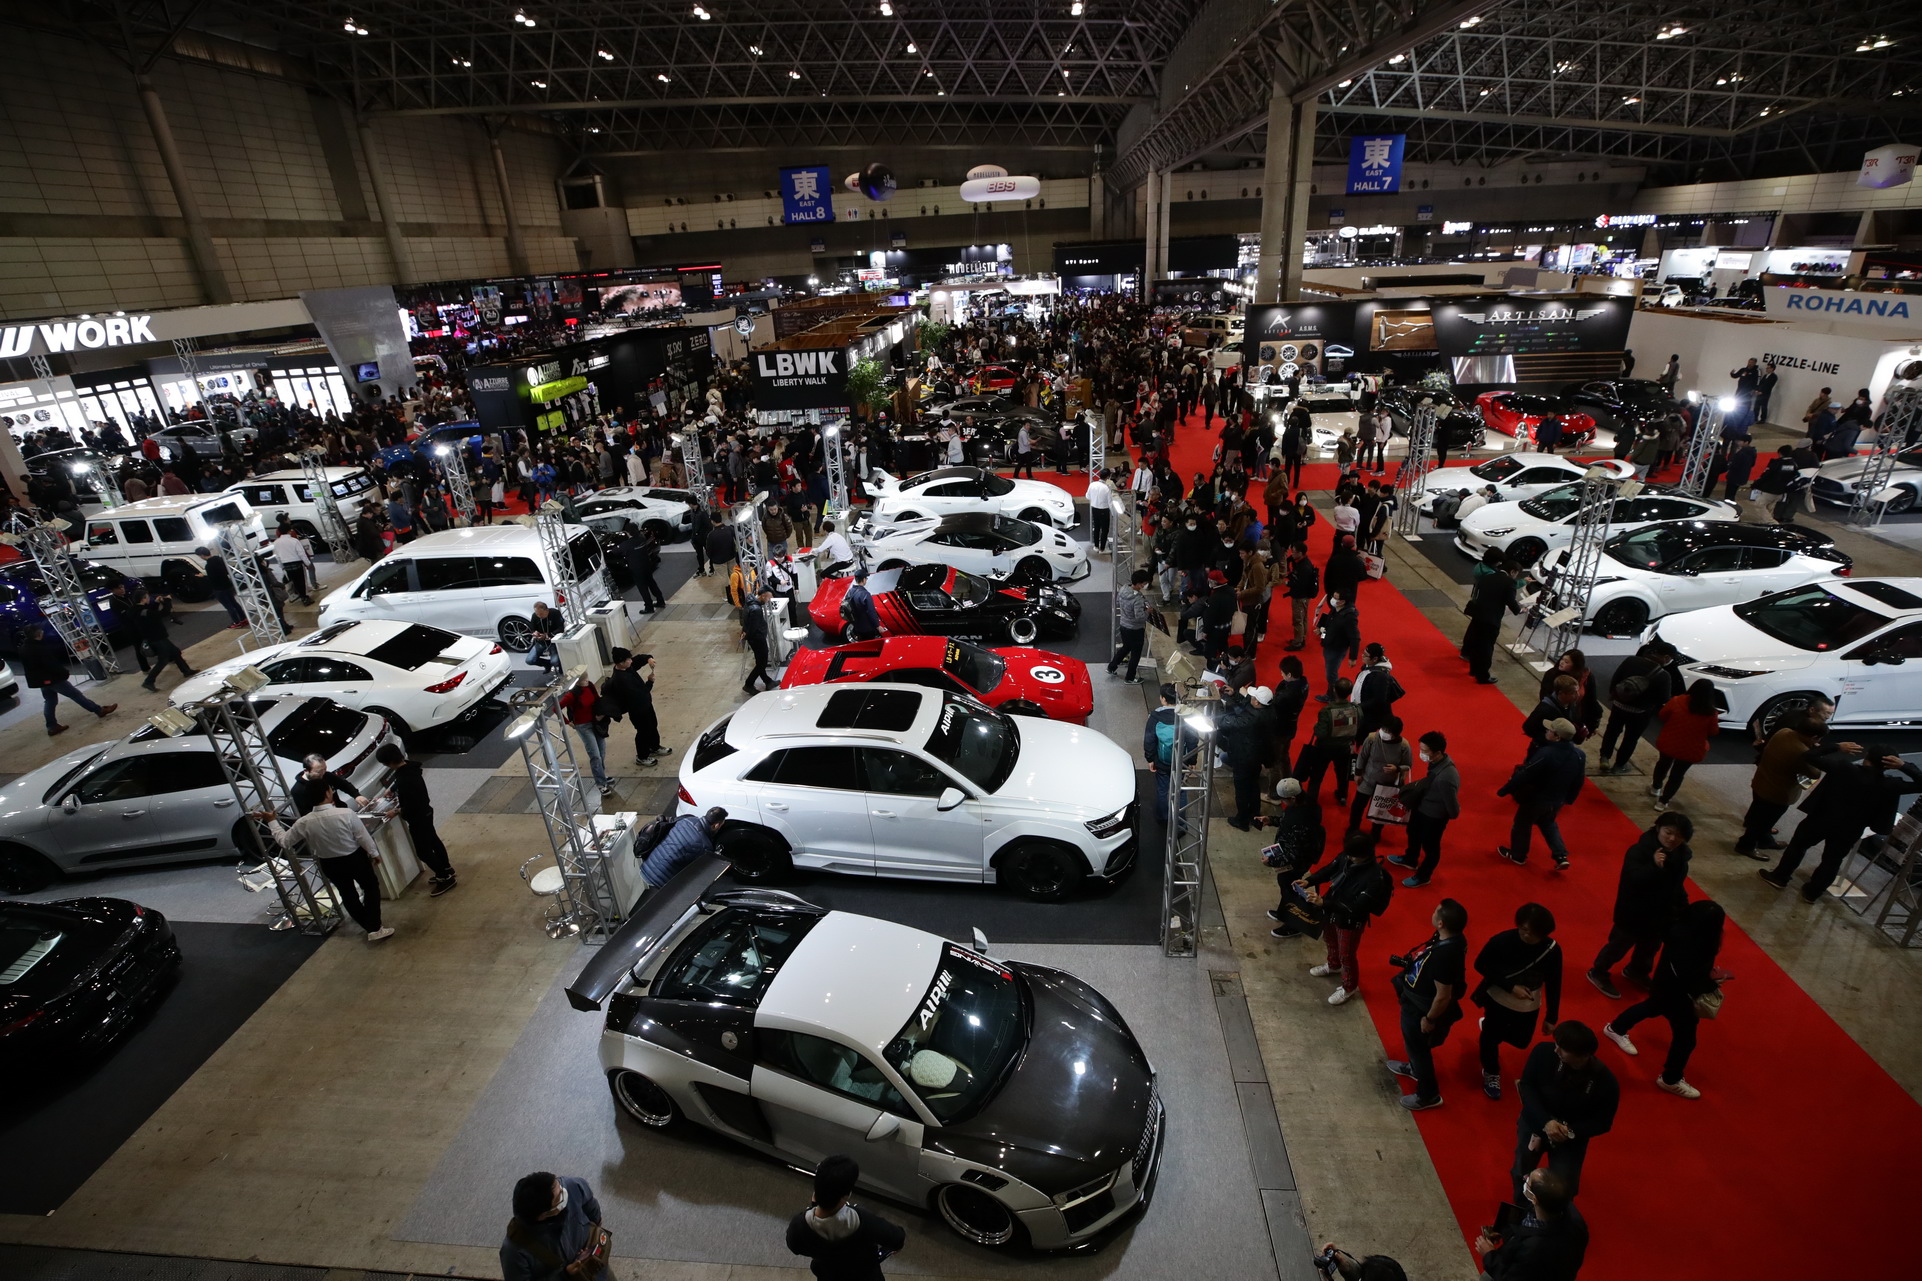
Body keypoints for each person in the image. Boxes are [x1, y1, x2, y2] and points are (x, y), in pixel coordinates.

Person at [1762, 742, 1922, 901]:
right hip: (1851, 829)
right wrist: (1904, 766)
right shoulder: (1891, 785)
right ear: (1889, 766)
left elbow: (1809, 756)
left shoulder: (1844, 768)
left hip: (1821, 818)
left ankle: (1780, 877)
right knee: (1833, 860)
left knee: (1798, 846)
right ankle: (1813, 893)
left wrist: (1836, 747)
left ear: (1867, 756)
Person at [1603, 899, 1727, 1100]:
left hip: (1663, 984)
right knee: (1685, 1039)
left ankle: (1616, 1028)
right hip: (1680, 997)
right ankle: (1671, 1079)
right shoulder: (1699, 945)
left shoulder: (1677, 929)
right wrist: (1713, 982)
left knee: (1649, 1008)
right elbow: (1690, 977)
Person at [256, 782, 391, 941]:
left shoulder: (304, 822)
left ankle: (370, 926)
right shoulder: (346, 813)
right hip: (355, 858)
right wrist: (374, 853)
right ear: (328, 794)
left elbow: (285, 841)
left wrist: (272, 821)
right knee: (370, 887)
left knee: (348, 894)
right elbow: (362, 837)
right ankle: (374, 926)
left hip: (329, 864)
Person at [1586, 812, 1692, 1001]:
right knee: (1619, 945)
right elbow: (1632, 880)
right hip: (1633, 913)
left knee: (1649, 948)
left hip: (1661, 915)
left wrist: (1684, 907)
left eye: (1679, 835)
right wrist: (1654, 867)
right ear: (1658, 828)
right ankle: (1598, 971)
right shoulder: (1639, 851)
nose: (1672, 838)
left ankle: (1636, 972)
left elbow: (1677, 886)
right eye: (1668, 832)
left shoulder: (1680, 858)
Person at [1473, 902, 1563, 1099]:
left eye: (1535, 933)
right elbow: (1480, 964)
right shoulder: (1502, 941)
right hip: (1498, 998)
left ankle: (1490, 1029)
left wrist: (1552, 1016)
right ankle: (1491, 1071)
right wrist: (1510, 987)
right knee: (1490, 1038)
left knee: (1521, 1040)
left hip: (1529, 1003)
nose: (1528, 936)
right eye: (1524, 930)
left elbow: (1555, 983)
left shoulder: (1552, 951)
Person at [1385, 897, 1468, 1110]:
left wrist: (1430, 1019)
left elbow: (1443, 995)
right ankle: (1414, 1068)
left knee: (1418, 1049)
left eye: (1435, 911)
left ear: (1441, 923)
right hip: (1417, 1001)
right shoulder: (1452, 940)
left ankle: (1428, 1094)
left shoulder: (1445, 955)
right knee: (1415, 1049)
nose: (1432, 913)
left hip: (1421, 1010)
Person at [1301, 831, 1394, 1005]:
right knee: (1329, 939)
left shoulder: (1374, 878)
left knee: (1347, 955)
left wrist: (1323, 903)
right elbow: (1330, 869)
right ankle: (1333, 965)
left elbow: (1356, 908)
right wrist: (1309, 881)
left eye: (1353, 856)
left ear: (1364, 855)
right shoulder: (1348, 856)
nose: (1349, 858)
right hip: (1331, 908)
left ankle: (1349, 987)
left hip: (1350, 920)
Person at [1736, 700, 1834, 858]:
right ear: (1814, 737)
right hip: (1777, 794)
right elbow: (1815, 773)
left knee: (1757, 813)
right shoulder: (1801, 752)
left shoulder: (1784, 733)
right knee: (1764, 822)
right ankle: (1746, 845)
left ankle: (1765, 840)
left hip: (1761, 781)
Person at [786, 1154, 906, 1281]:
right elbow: (897, 1238)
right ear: (846, 1195)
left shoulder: (799, 1226)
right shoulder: (862, 1220)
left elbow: (794, 1245)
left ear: (816, 1192)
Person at [1497, 718, 1584, 871]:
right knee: (1548, 823)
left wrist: (1505, 789)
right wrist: (1569, 799)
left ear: (1557, 737)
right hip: (1558, 800)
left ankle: (1518, 855)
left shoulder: (1547, 753)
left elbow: (1527, 773)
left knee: (1522, 824)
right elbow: (1579, 780)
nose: (1546, 731)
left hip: (1537, 799)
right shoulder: (1579, 755)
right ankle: (1560, 855)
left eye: (1550, 730)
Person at [1476, 1169, 1589, 1281]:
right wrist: (1507, 1231)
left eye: (1528, 1181)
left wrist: (1488, 1255)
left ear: (1535, 1199)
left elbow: (1511, 1277)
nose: (1525, 1179)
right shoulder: (1567, 1212)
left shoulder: (1534, 1249)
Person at [374, 741, 457, 895]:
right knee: (433, 840)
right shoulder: (410, 768)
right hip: (426, 813)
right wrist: (392, 788)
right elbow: (403, 782)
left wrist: (396, 811)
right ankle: (446, 868)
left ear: (389, 762)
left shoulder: (405, 780)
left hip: (418, 818)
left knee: (423, 852)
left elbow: (413, 804)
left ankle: (444, 877)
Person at [501, 1172, 608, 1281]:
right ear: (543, 1215)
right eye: (558, 1198)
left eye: (559, 1185)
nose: (564, 1191)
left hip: (595, 1266)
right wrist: (565, 1275)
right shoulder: (513, 1252)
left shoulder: (572, 1185)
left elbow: (591, 1206)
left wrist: (594, 1233)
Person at [19, 624, 116, 736]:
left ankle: (52, 726)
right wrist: (63, 673)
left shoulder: (23, 649)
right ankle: (99, 710)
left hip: (41, 680)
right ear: (39, 633)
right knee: (75, 695)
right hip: (52, 678)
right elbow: (51, 665)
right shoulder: (40, 649)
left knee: (50, 701)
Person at [1391, 731, 1460, 888]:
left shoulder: (1446, 777)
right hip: (1422, 808)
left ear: (1437, 752)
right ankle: (1410, 859)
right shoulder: (1437, 763)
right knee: (1413, 833)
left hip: (1434, 817)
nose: (1421, 754)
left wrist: (1449, 815)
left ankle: (1423, 875)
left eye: (1424, 751)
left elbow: (1452, 805)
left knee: (1431, 847)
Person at [1596, 640, 1675, 774]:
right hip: (1640, 713)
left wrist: (1615, 696)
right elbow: (1664, 699)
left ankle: (1604, 757)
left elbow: (1615, 679)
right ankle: (1619, 765)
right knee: (1630, 739)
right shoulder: (1664, 676)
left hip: (1619, 705)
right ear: (1666, 658)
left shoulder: (1631, 661)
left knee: (1612, 731)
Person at [1649, 679, 1719, 808]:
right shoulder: (1710, 712)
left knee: (1663, 764)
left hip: (1669, 743)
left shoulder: (1676, 701)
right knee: (1677, 775)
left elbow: (1663, 715)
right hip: (1691, 749)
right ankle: (1663, 801)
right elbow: (1713, 731)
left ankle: (1656, 787)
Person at [1300, 676, 1361, 804]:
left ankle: (1311, 800)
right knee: (1342, 773)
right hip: (1345, 747)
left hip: (1325, 748)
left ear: (1334, 690)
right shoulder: (1356, 709)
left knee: (1316, 775)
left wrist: (1316, 726)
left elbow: (1320, 733)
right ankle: (1342, 795)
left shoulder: (1327, 711)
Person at [1350, 715, 1412, 835]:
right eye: (1383, 728)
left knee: (1380, 811)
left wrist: (1397, 768)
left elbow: (1408, 765)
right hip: (1367, 780)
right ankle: (1353, 828)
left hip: (1387, 785)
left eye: (1387, 731)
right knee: (1357, 806)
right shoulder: (1372, 738)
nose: (1383, 732)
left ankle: (1376, 832)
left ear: (1395, 733)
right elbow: (1362, 756)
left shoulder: (1404, 746)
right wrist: (1357, 774)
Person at [1462, 559, 1521, 685]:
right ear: (1513, 571)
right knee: (1486, 647)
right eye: (1516, 574)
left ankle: (1473, 670)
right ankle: (1483, 675)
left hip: (1478, 615)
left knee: (1476, 644)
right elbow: (1511, 601)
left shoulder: (1488, 577)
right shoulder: (1509, 582)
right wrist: (1519, 610)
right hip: (1491, 619)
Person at [604, 648, 666, 765]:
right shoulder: (622, 680)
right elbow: (641, 693)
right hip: (637, 709)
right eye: (628, 660)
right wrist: (650, 682)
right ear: (621, 662)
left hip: (645, 705)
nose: (631, 661)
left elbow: (638, 659)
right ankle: (642, 757)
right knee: (643, 731)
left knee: (652, 725)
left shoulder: (627, 668)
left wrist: (648, 659)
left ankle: (654, 747)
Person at [644, 806, 729, 888]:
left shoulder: (688, 820)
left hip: (646, 867)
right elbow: (700, 872)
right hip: (660, 880)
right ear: (716, 825)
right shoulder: (704, 846)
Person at [558, 672, 616, 794]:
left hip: (595, 723)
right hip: (583, 727)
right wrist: (568, 722)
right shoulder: (572, 695)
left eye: (587, 679)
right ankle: (601, 783)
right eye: (584, 680)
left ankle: (602, 776)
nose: (587, 682)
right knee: (595, 755)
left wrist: (600, 714)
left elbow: (597, 701)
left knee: (601, 751)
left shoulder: (590, 686)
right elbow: (556, 708)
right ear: (577, 682)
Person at [131, 587, 196, 693]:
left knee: (175, 652)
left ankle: (186, 670)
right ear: (143, 599)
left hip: (156, 637)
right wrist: (168, 601)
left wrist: (156, 603)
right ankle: (148, 681)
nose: (149, 599)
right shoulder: (141, 611)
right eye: (147, 597)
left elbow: (151, 613)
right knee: (163, 660)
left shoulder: (137, 610)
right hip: (156, 638)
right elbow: (162, 614)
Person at [1106, 569, 1150, 683]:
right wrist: (1147, 612)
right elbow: (1140, 617)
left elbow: (1117, 603)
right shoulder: (1138, 599)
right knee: (1136, 653)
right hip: (1135, 629)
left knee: (1126, 647)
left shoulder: (1123, 589)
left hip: (1123, 625)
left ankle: (1111, 667)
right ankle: (1130, 677)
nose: (1145, 585)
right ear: (1140, 583)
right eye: (1144, 583)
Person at [1145, 683, 1180, 823]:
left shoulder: (1155, 717)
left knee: (1162, 789)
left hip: (1162, 760)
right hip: (1180, 760)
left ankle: (1163, 817)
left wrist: (1150, 758)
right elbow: (1191, 739)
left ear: (1163, 699)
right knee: (1181, 790)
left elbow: (1149, 740)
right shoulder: (1185, 715)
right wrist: (1192, 761)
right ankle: (1180, 821)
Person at [1316, 592, 1361, 695]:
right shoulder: (1336, 609)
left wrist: (1353, 657)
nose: (1332, 599)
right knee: (1330, 671)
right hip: (1329, 644)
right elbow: (1330, 621)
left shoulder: (1349, 617)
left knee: (1331, 674)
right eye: (1333, 597)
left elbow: (1355, 637)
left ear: (1343, 601)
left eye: (1335, 598)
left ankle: (1332, 695)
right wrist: (1321, 629)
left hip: (1336, 649)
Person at [196, 545, 246, 627]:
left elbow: (212, 579)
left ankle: (236, 622)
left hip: (219, 588)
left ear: (202, 555)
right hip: (227, 584)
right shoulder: (219, 559)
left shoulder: (208, 566)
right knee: (234, 603)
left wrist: (203, 577)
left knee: (228, 606)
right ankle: (243, 618)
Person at [742, 586, 777, 694]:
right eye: (768, 598)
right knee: (762, 663)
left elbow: (746, 621)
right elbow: (753, 628)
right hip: (757, 639)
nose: (768, 601)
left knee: (760, 661)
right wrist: (749, 635)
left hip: (754, 638)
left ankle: (768, 681)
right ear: (763, 596)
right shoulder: (756, 610)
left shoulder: (750, 602)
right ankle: (749, 684)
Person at [1284, 545, 1319, 651]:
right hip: (1303, 596)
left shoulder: (1304, 567)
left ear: (1301, 553)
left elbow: (1300, 584)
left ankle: (1298, 643)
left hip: (1300, 596)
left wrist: (1288, 583)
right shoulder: (1302, 563)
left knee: (1298, 619)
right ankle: (1301, 638)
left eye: (1294, 552)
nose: (1292, 554)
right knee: (1303, 617)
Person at [273, 522, 315, 604]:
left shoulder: (276, 542)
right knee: (301, 581)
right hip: (297, 563)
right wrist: (307, 563)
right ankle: (304, 597)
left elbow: (277, 556)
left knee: (294, 581)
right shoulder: (294, 541)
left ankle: (300, 595)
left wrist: (282, 566)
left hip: (286, 564)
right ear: (289, 531)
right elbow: (301, 553)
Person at [626, 530, 666, 613]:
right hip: (646, 566)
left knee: (643, 589)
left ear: (629, 533)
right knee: (652, 584)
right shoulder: (642, 538)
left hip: (637, 570)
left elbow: (615, 550)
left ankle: (649, 607)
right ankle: (660, 601)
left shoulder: (629, 543)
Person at [841, 570, 882, 641]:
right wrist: (877, 626)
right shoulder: (865, 594)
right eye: (866, 578)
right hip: (867, 628)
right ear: (863, 579)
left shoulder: (850, 591)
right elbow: (871, 611)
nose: (866, 580)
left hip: (856, 626)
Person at [526, 600, 561, 671]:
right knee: (529, 660)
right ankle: (547, 664)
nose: (539, 616)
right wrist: (535, 633)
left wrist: (548, 635)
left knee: (555, 661)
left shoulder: (555, 613)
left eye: (541, 614)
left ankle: (561, 668)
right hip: (540, 642)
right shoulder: (535, 616)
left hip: (553, 642)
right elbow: (532, 628)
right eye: (537, 614)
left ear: (547, 610)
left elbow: (561, 628)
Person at [1086, 469, 1113, 551]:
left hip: (1094, 508)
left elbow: (1087, 496)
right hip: (1104, 510)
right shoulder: (1107, 488)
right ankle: (1102, 547)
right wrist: (1113, 514)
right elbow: (1110, 502)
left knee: (1096, 527)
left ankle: (1096, 546)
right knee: (1105, 529)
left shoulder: (1092, 484)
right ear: (1108, 477)